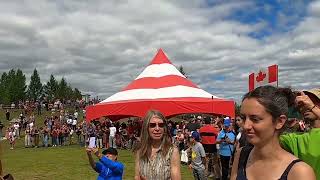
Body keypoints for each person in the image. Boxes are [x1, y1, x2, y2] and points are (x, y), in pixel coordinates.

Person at [231, 86, 316, 180]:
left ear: (279, 122)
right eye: (243, 118)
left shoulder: (300, 172)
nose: (246, 125)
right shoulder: (241, 155)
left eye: (255, 119)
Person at [280, 89, 320, 179]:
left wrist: (312, 107)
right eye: (302, 104)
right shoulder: (297, 138)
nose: (306, 106)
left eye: (312, 101)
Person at [134, 109, 181, 180]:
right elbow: (137, 176)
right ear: (146, 128)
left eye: (161, 125)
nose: (157, 128)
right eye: (152, 125)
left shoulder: (172, 151)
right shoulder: (140, 150)